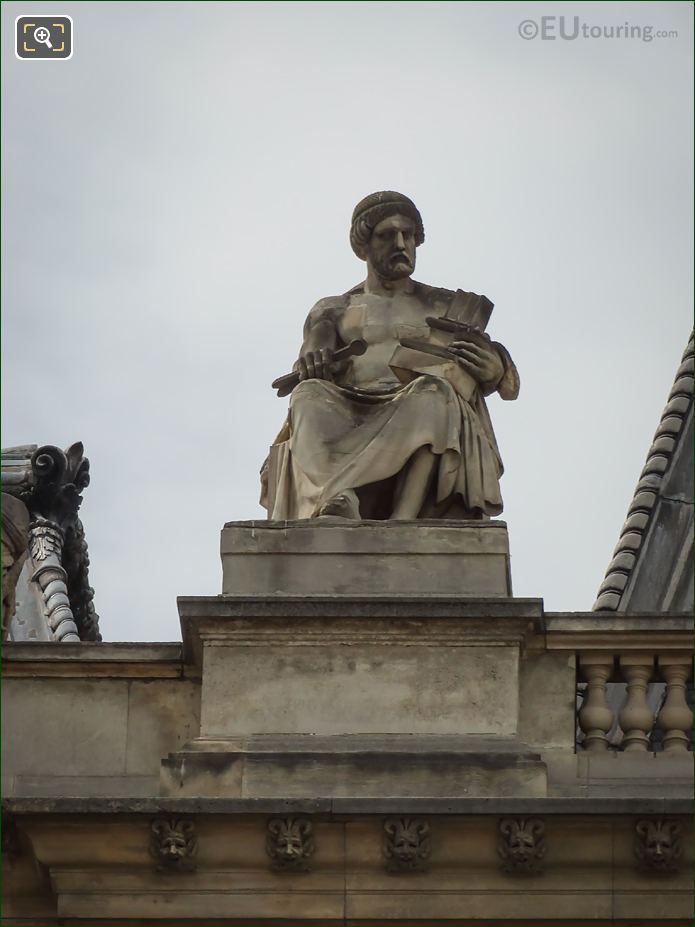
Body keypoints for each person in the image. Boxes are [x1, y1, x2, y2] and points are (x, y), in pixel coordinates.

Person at [261, 191, 519, 521]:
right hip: (351, 406)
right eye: (386, 235)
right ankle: (337, 498)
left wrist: (495, 366)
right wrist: (315, 359)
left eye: (408, 235)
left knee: (434, 395)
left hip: (420, 403)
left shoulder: (444, 304)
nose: (401, 244)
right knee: (307, 396)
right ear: (363, 246)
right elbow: (316, 344)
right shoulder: (334, 308)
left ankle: (402, 520)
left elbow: (507, 384)